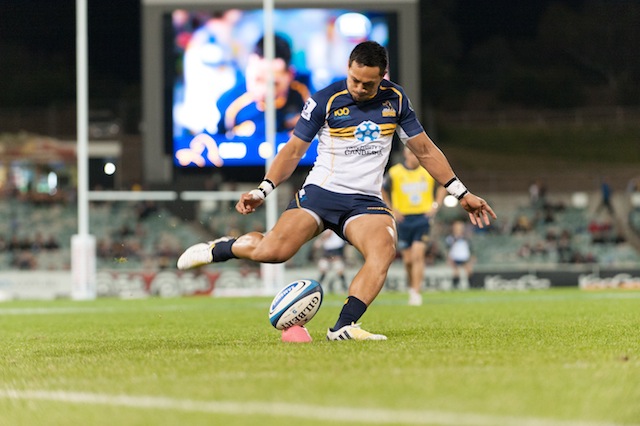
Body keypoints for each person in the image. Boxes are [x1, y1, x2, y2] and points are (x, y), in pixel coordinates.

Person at [177, 41, 496, 341]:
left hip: (366, 202)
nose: (359, 88)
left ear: (382, 78)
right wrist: (262, 191)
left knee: (383, 250)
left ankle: (344, 325)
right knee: (273, 252)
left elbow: (425, 151)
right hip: (321, 193)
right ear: (348, 69)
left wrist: (461, 192)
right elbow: (292, 152)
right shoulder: (324, 99)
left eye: (367, 84)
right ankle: (222, 248)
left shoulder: (396, 100)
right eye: (355, 79)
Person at [382, 147, 446, 306]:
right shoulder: (395, 172)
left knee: (418, 255)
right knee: (408, 260)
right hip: (403, 219)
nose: (414, 157)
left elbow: (444, 184)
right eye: (411, 153)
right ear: (405, 154)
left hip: (422, 218)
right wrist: (391, 210)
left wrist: (436, 205)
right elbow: (382, 189)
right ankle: (412, 287)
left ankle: (416, 292)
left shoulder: (427, 171)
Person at [445, 220, 475, 290]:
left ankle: (472, 287)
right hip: (455, 257)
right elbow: (447, 249)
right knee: (456, 273)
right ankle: (454, 287)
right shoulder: (450, 238)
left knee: (469, 272)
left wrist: (473, 257)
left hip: (465, 257)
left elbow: (471, 248)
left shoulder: (466, 238)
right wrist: (448, 258)